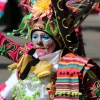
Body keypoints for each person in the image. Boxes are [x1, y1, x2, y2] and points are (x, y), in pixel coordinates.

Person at [0, 0, 100, 100]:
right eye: (35, 37)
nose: (38, 42)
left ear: (58, 40)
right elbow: (2, 43)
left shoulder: (77, 68)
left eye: (45, 37)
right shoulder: (27, 56)